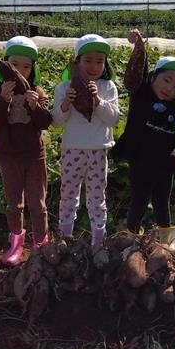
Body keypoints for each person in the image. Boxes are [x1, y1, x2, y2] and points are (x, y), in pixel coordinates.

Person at [111, 29, 175, 250]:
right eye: (166, 80)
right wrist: (139, 46)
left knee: (163, 202)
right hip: (141, 161)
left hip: (164, 163)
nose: (169, 88)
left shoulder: (173, 105)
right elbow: (139, 73)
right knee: (140, 201)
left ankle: (167, 244)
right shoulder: (141, 95)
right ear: (153, 77)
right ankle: (132, 241)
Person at [0, 36, 53, 266]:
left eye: (26, 66)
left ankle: (41, 243)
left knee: (37, 203)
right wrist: (3, 99)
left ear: (33, 69)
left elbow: (45, 122)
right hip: (8, 155)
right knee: (14, 204)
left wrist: (35, 106)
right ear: (6, 66)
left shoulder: (37, 91)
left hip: (34, 155)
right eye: (15, 65)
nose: (21, 71)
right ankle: (16, 243)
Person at [51, 33, 120, 251]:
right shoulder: (64, 88)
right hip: (72, 149)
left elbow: (114, 119)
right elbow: (56, 122)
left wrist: (97, 100)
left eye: (99, 61)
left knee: (97, 196)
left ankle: (98, 241)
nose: (94, 66)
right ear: (77, 62)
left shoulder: (108, 87)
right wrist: (65, 104)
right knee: (68, 194)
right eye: (88, 60)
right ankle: (65, 239)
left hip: (98, 150)